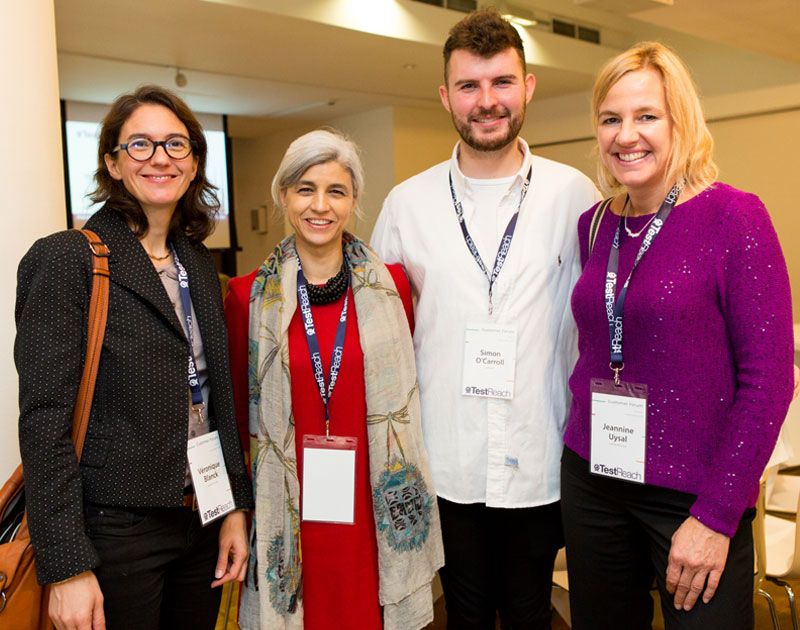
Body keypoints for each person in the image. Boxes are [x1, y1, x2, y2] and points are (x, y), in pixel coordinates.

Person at [371, 8, 599, 628]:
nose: (487, 101)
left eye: (501, 82)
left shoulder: (575, 195)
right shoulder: (406, 205)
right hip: (445, 460)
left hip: (542, 454)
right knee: (464, 614)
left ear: (528, 86)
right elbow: (379, 337)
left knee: (532, 612)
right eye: (469, 86)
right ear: (446, 96)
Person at [560, 42, 795, 629]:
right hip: (595, 479)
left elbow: (769, 382)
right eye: (611, 119)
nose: (626, 135)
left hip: (694, 497)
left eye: (646, 116)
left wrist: (716, 515)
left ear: (680, 122)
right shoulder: (595, 225)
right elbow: (595, 348)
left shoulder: (735, 219)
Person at [15, 85, 253, 630]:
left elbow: (217, 400)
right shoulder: (67, 259)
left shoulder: (196, 259)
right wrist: (68, 566)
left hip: (200, 518)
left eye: (175, 144)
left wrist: (234, 507)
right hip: (112, 532)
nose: (160, 158)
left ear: (194, 163)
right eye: (140, 145)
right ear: (112, 163)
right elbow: (44, 419)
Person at [225, 129, 443, 630]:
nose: (319, 205)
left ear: (353, 202)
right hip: (290, 514)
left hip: (373, 514)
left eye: (336, 191)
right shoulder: (245, 299)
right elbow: (240, 422)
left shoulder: (393, 289)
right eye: (305, 189)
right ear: (283, 195)